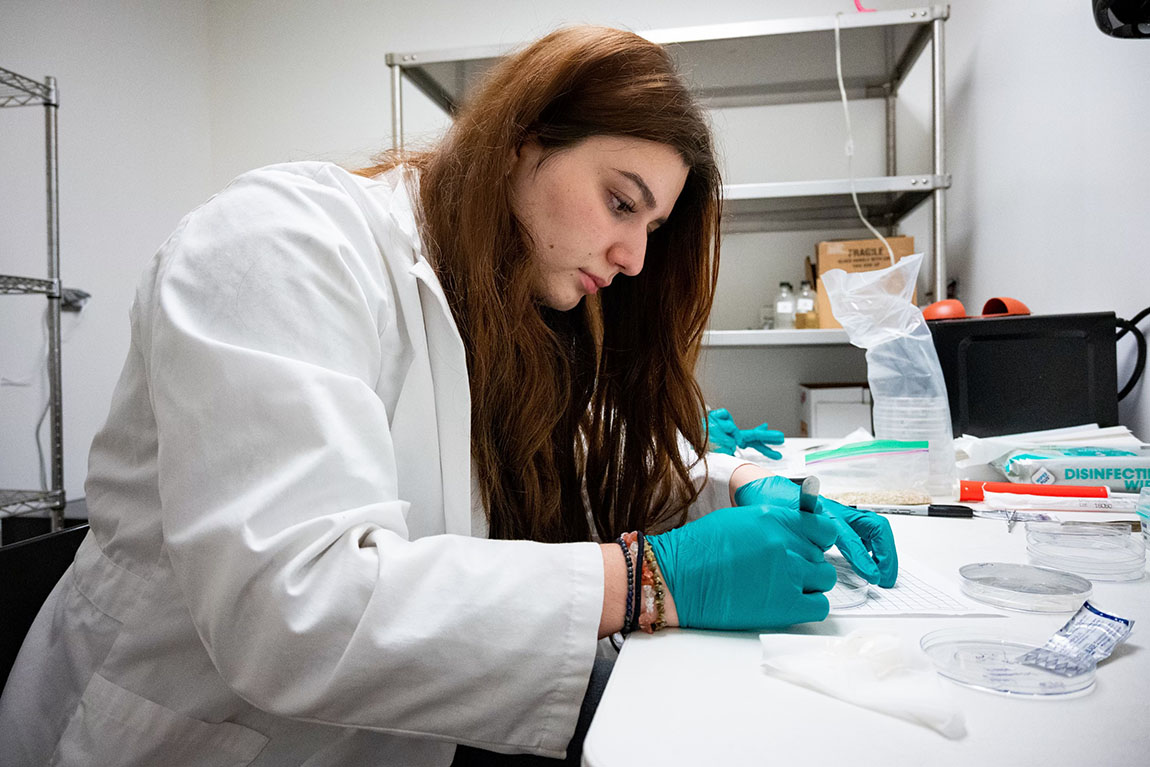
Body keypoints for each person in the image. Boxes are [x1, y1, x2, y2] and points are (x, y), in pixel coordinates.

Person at [0, 26, 896, 767]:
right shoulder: (283, 242)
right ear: (524, 139)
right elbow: (294, 609)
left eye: (653, 228)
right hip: (172, 740)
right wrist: (650, 580)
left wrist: (737, 491)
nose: (634, 259)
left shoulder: (490, 298)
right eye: (622, 203)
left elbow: (565, 457)